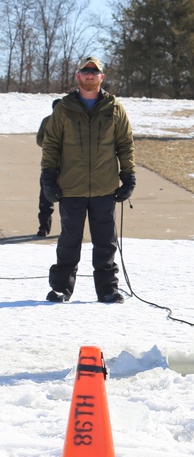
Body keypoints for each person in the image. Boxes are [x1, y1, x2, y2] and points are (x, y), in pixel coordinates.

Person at [40, 56, 136, 303]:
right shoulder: (64, 108)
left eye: (95, 72)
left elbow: (125, 145)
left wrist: (128, 176)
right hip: (71, 186)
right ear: (78, 76)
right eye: (85, 71)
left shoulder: (115, 109)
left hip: (105, 187)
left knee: (105, 242)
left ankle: (108, 289)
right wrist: (48, 177)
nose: (90, 75)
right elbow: (51, 145)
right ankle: (62, 287)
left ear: (102, 77)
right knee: (69, 240)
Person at [35, 98, 61, 237]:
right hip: (49, 165)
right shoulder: (47, 121)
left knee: (69, 202)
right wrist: (50, 145)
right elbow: (39, 139)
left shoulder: (71, 122)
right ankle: (44, 227)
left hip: (68, 168)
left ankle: (69, 230)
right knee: (45, 199)